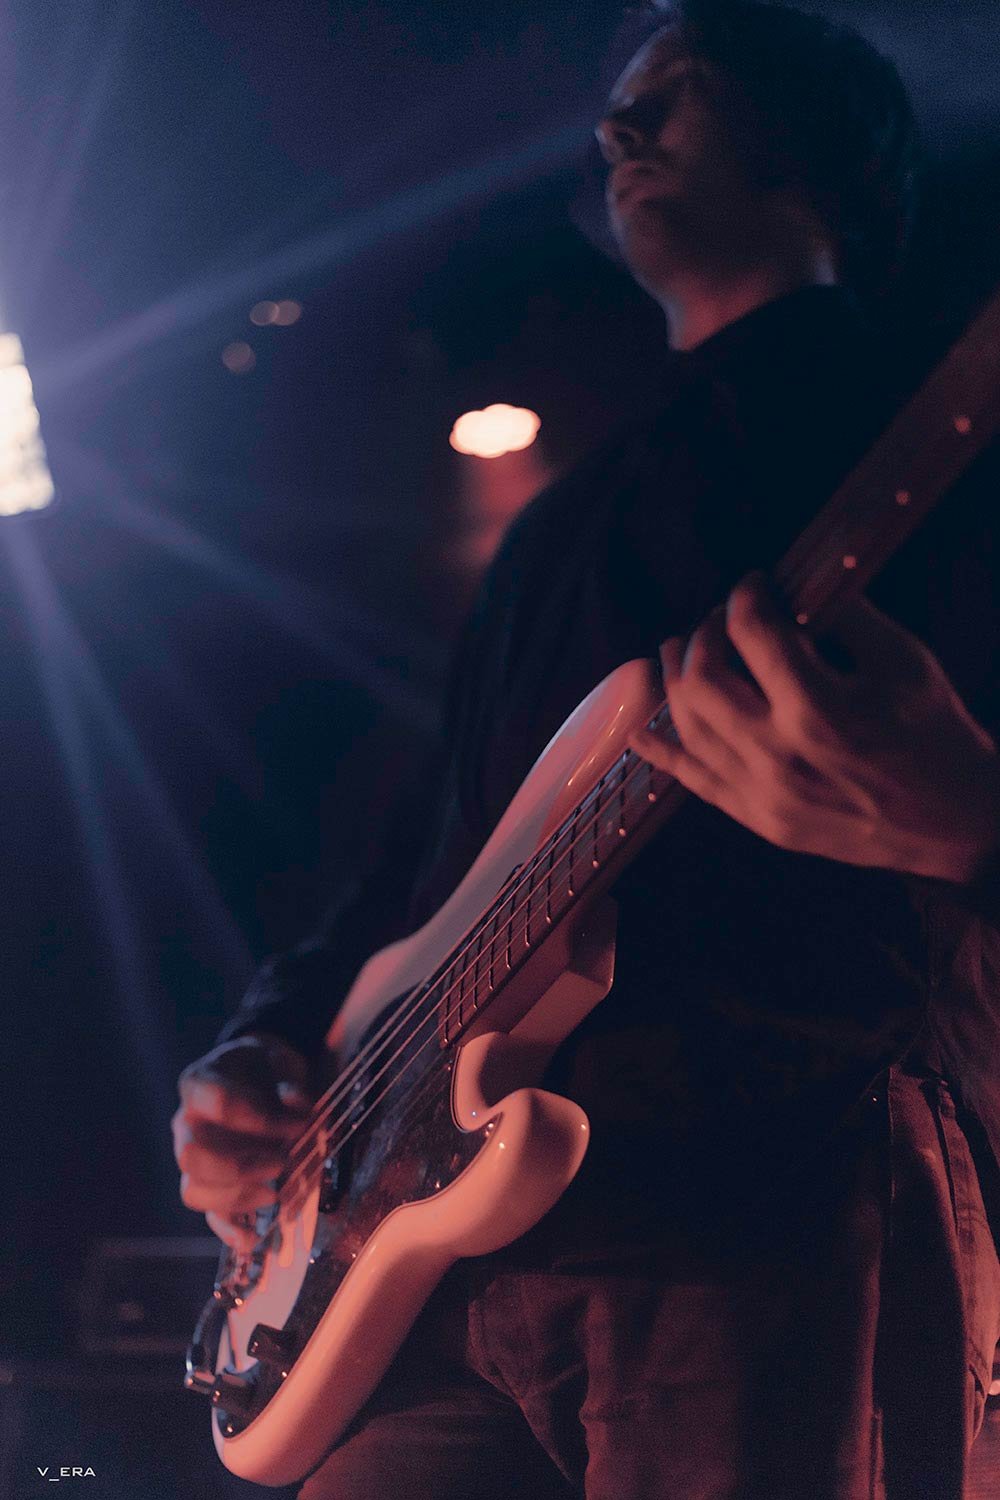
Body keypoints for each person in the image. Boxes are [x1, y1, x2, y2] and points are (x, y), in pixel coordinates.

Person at [172, 3, 1000, 1495]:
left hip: (751, 1206)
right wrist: (273, 1046)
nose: (619, 127)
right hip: (437, 1260)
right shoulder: (558, 519)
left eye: (679, 90)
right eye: (619, 101)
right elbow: (419, 863)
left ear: (824, 143)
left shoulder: (926, 434)